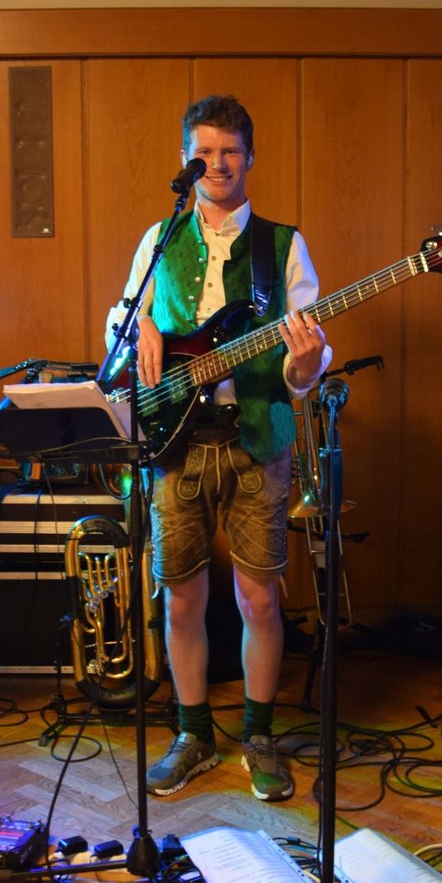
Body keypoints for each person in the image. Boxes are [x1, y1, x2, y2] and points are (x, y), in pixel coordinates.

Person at [105, 95, 329, 802]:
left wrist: (305, 363)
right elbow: (120, 317)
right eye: (204, 152)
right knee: (181, 599)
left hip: (256, 436)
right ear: (187, 160)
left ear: (250, 157)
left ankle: (258, 736)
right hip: (175, 438)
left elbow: (305, 362)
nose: (218, 163)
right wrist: (138, 325)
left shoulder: (283, 245)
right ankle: (193, 733)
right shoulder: (160, 238)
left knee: (259, 600)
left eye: (231, 150)